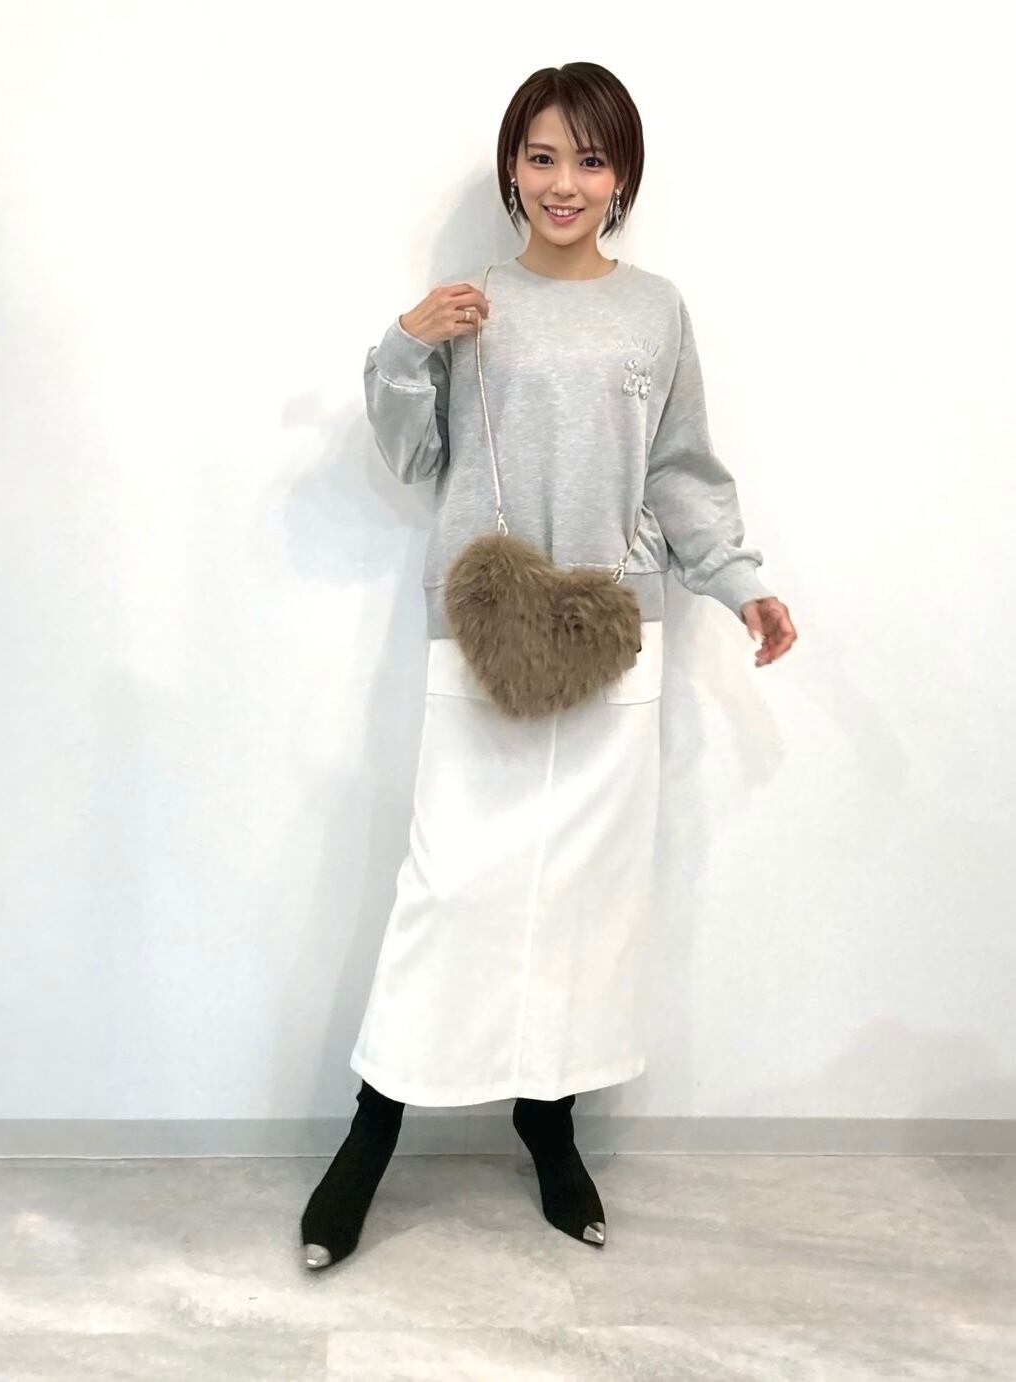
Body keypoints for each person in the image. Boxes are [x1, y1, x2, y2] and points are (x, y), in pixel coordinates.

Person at [300, 61, 797, 1272]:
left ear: (622, 176)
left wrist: (739, 581)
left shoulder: (657, 310)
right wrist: (407, 345)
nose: (564, 182)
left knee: (585, 895)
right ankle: (375, 1126)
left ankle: (548, 1118)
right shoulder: (472, 305)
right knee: (450, 884)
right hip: (481, 628)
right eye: (540, 156)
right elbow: (413, 456)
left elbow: (681, 469)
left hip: (617, 632)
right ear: (511, 170)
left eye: (589, 157)